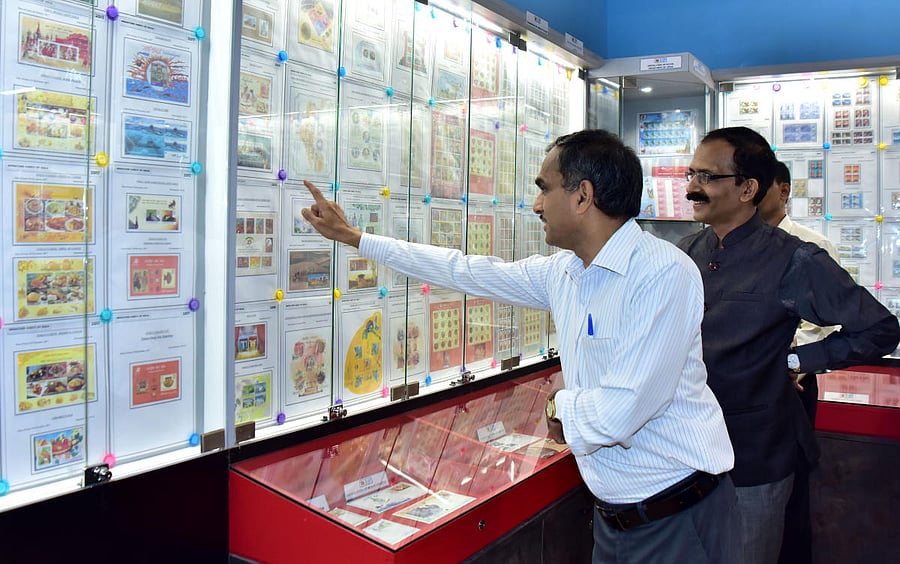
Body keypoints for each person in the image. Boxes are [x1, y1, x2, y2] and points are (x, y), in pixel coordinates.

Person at [302, 129, 740, 563]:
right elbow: (463, 270)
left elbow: (619, 413)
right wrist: (357, 238)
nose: (536, 205)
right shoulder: (564, 272)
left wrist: (558, 406)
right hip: (616, 520)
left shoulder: (663, 274)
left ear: (583, 196)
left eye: (544, 189)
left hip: (679, 517)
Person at [677, 126, 900, 564]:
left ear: (747, 189)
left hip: (754, 459)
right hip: (684, 457)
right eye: (691, 174)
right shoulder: (685, 253)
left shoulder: (794, 258)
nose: (691, 188)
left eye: (707, 177)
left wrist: (798, 359)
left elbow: (879, 328)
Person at [758, 160, 839, 564]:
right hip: (742, 387)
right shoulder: (729, 247)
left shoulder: (811, 247)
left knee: (792, 494)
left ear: (784, 190)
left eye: (760, 185)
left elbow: (826, 323)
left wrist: (787, 361)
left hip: (794, 385)